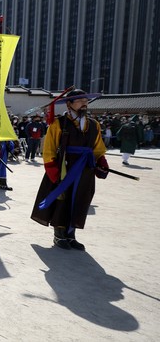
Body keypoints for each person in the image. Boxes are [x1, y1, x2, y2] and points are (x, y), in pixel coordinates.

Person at [31, 89, 109, 251]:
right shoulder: (59, 123)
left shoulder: (94, 125)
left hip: (85, 169)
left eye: (86, 101)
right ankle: (59, 233)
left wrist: (101, 162)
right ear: (69, 104)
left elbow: (98, 148)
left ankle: (71, 234)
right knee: (62, 201)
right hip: (64, 168)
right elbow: (50, 149)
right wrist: (53, 171)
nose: (84, 104)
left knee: (81, 199)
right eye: (80, 101)